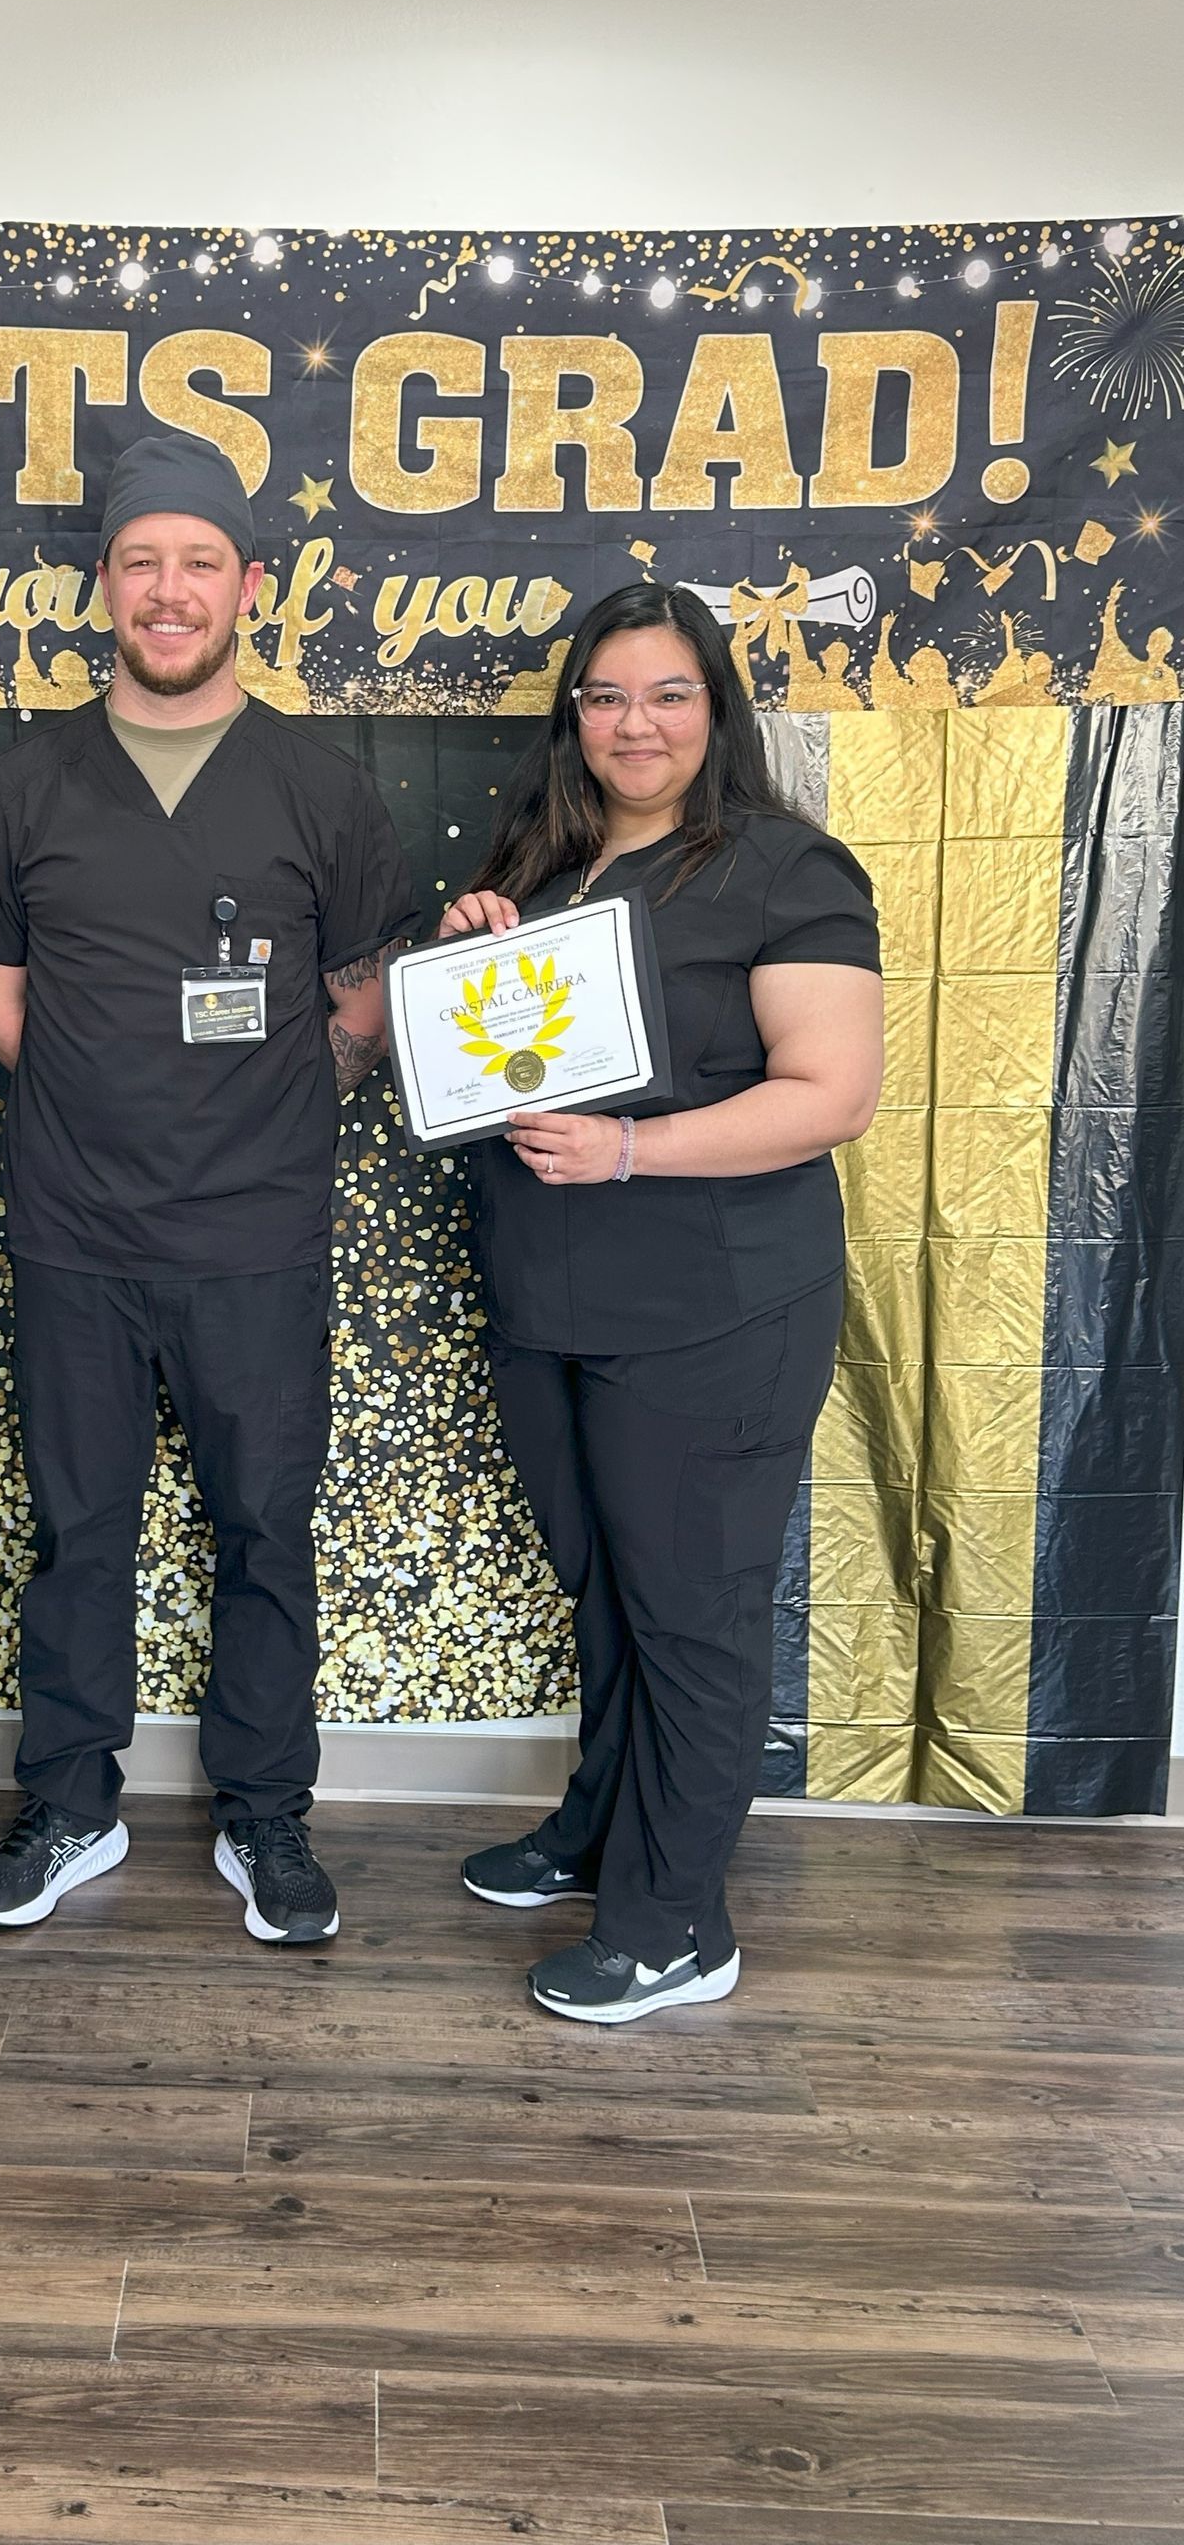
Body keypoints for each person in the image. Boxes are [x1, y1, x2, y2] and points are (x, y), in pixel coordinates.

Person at [0, 433, 416, 1945]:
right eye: (142, 561)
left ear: (247, 587)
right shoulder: (22, 786)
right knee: (80, 1529)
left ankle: (265, 1817)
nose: (169, 589)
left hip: (261, 1236)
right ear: (103, 588)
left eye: (199, 562)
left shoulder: (323, 789)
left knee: (267, 1528)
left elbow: (365, 995)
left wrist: (255, 1106)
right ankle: (70, 1806)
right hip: (75, 1233)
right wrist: (114, 1106)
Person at [449, 580, 882, 2023]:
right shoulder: (547, 858)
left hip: (713, 1307)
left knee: (692, 1613)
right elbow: (505, 1060)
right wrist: (477, 954)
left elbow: (834, 1095)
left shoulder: (786, 869)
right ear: (576, 715)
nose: (637, 724)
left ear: (715, 711)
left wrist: (634, 1147)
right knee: (611, 1592)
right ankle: (600, 1829)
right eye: (610, 696)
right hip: (550, 1301)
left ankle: (677, 1921)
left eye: (669, 695)